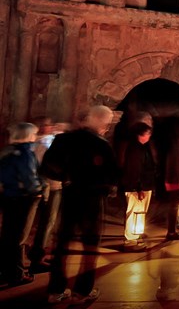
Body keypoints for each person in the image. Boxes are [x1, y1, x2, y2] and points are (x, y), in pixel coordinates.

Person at [41, 105, 119, 304]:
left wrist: (66, 177)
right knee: (90, 245)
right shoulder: (101, 145)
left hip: (70, 194)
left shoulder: (63, 140)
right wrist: (106, 187)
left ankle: (55, 290)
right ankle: (82, 292)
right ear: (102, 123)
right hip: (92, 199)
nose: (107, 128)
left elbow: (48, 167)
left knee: (62, 243)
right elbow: (112, 176)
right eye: (107, 124)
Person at [0, 122, 43, 286]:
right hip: (24, 198)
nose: (35, 137)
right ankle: (16, 274)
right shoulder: (26, 153)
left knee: (8, 234)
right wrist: (38, 190)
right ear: (28, 135)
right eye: (34, 134)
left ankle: (4, 270)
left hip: (9, 196)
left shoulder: (7, 151)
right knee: (20, 236)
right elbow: (29, 177)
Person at [29, 118, 63, 272]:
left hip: (40, 186)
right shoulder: (45, 144)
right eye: (49, 125)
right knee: (47, 221)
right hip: (50, 186)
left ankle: (38, 253)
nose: (51, 127)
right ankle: (38, 257)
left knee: (42, 222)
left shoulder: (34, 143)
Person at [120, 122, 156, 251]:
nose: (149, 136)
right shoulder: (135, 149)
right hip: (136, 188)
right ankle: (130, 241)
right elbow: (134, 170)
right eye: (147, 134)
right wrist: (138, 188)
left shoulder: (142, 147)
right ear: (140, 135)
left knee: (139, 214)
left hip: (143, 186)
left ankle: (135, 236)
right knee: (135, 213)